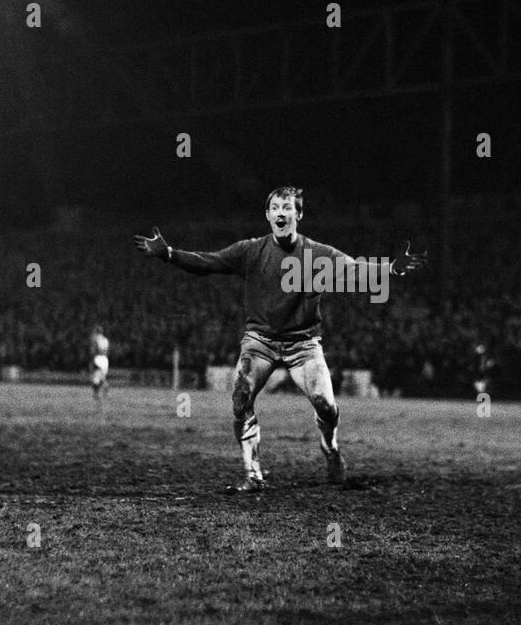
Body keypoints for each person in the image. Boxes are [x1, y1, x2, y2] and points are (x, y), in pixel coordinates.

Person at [134, 186, 425, 491]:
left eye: (287, 207)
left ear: (298, 215)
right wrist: (168, 254)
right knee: (241, 398)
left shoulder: (317, 253)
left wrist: (390, 269)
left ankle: (330, 448)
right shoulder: (250, 251)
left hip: (303, 344)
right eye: (275, 207)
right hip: (260, 342)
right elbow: (208, 263)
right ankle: (253, 474)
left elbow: (354, 269)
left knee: (325, 405)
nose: (280, 212)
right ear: (267, 215)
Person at [88, 324, 110, 400]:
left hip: (98, 359)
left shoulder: (95, 339)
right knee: (101, 377)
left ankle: (96, 394)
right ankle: (103, 388)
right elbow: (107, 351)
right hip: (105, 360)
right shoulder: (106, 339)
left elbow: (93, 350)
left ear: (96, 331)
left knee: (95, 378)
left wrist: (92, 360)